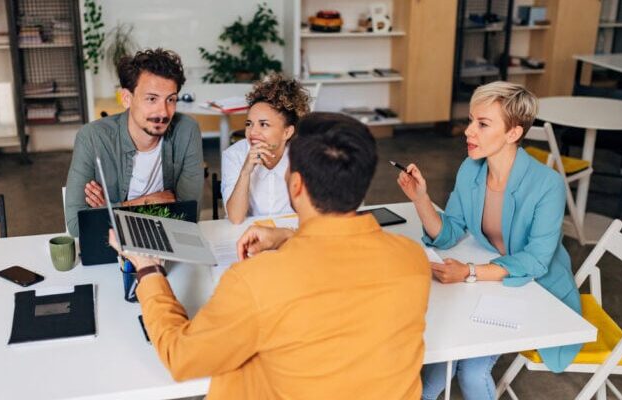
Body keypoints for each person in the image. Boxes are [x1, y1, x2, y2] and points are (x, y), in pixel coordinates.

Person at [109, 112, 431, 399]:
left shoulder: (256, 281)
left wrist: (148, 269)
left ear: (296, 186)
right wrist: (289, 237)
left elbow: (182, 358)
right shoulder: (412, 260)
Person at [396, 81, 581, 400]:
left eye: (482, 124)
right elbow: (450, 231)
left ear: (513, 133)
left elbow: (536, 261)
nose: (469, 131)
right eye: (470, 120)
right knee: (440, 354)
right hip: (490, 279)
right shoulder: (472, 169)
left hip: (537, 289)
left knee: (471, 371)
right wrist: (421, 199)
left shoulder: (547, 185)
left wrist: (468, 272)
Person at [64, 48, 203, 236]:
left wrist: (108, 210)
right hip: (111, 245)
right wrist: (150, 202)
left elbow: (189, 215)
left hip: (166, 238)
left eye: (171, 100)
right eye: (151, 99)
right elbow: (76, 225)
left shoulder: (187, 130)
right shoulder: (92, 137)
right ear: (126, 98)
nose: (163, 112)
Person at [221, 74, 310, 223]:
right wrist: (245, 172)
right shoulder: (233, 155)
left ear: (287, 132)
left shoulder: (303, 155)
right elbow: (236, 218)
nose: (252, 132)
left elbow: (311, 213)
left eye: (263, 124)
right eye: (249, 124)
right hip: (247, 235)